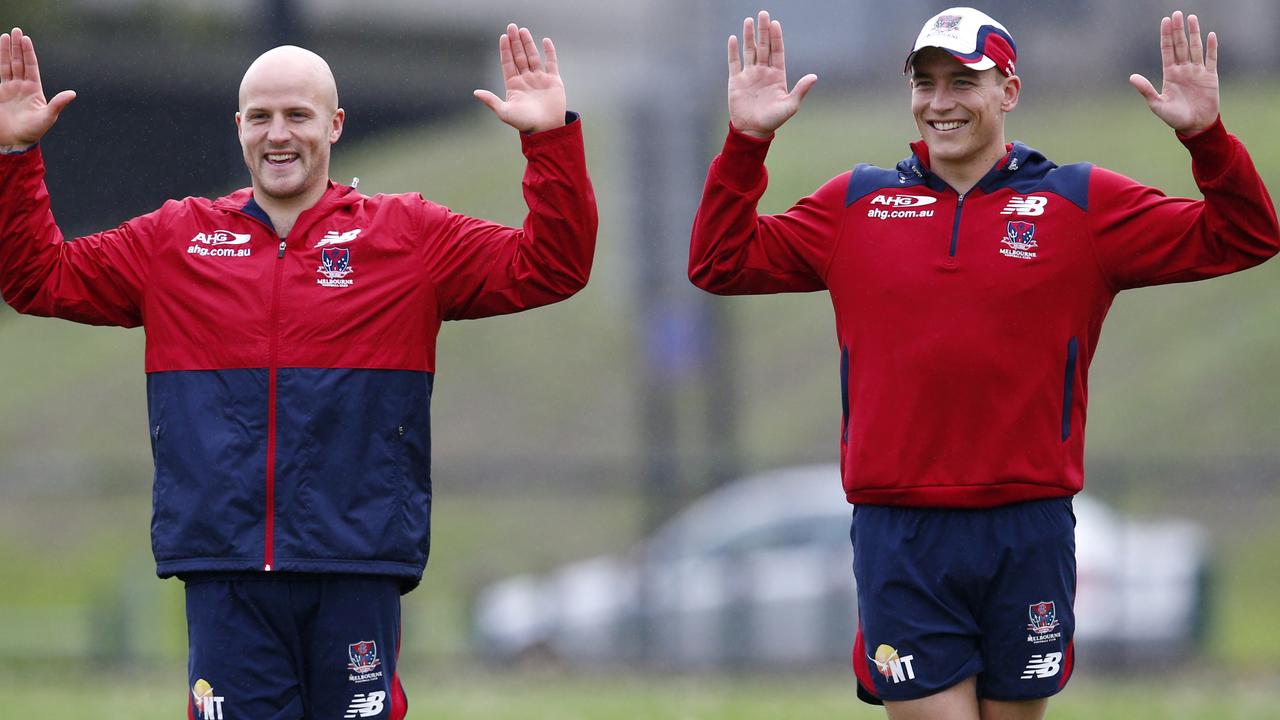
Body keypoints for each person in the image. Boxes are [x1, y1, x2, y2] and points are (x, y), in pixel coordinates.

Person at [689, 7, 1277, 719]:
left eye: (963, 81)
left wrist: (1204, 137)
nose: (940, 102)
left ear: (1009, 90)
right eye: (926, 82)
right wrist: (747, 141)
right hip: (901, 532)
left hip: (1027, 529)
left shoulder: (1078, 204)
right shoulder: (858, 204)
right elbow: (719, 262)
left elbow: (1245, 235)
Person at [0, 22, 595, 719]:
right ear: (239, 127)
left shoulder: (407, 237)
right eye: (260, 117)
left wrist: (548, 141)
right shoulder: (176, 240)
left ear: (335, 124)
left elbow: (553, 266)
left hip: (357, 565)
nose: (277, 134)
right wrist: (15, 152)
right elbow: (37, 277)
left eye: (297, 116)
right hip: (226, 573)